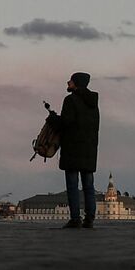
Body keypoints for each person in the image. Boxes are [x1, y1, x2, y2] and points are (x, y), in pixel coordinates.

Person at [45, 71, 100, 229]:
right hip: (89, 150)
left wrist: (53, 118)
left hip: (73, 149)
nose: (68, 83)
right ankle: (89, 218)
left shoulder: (70, 100)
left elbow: (66, 123)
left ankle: (75, 218)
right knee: (89, 186)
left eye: (70, 80)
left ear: (76, 83)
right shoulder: (93, 103)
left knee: (72, 185)